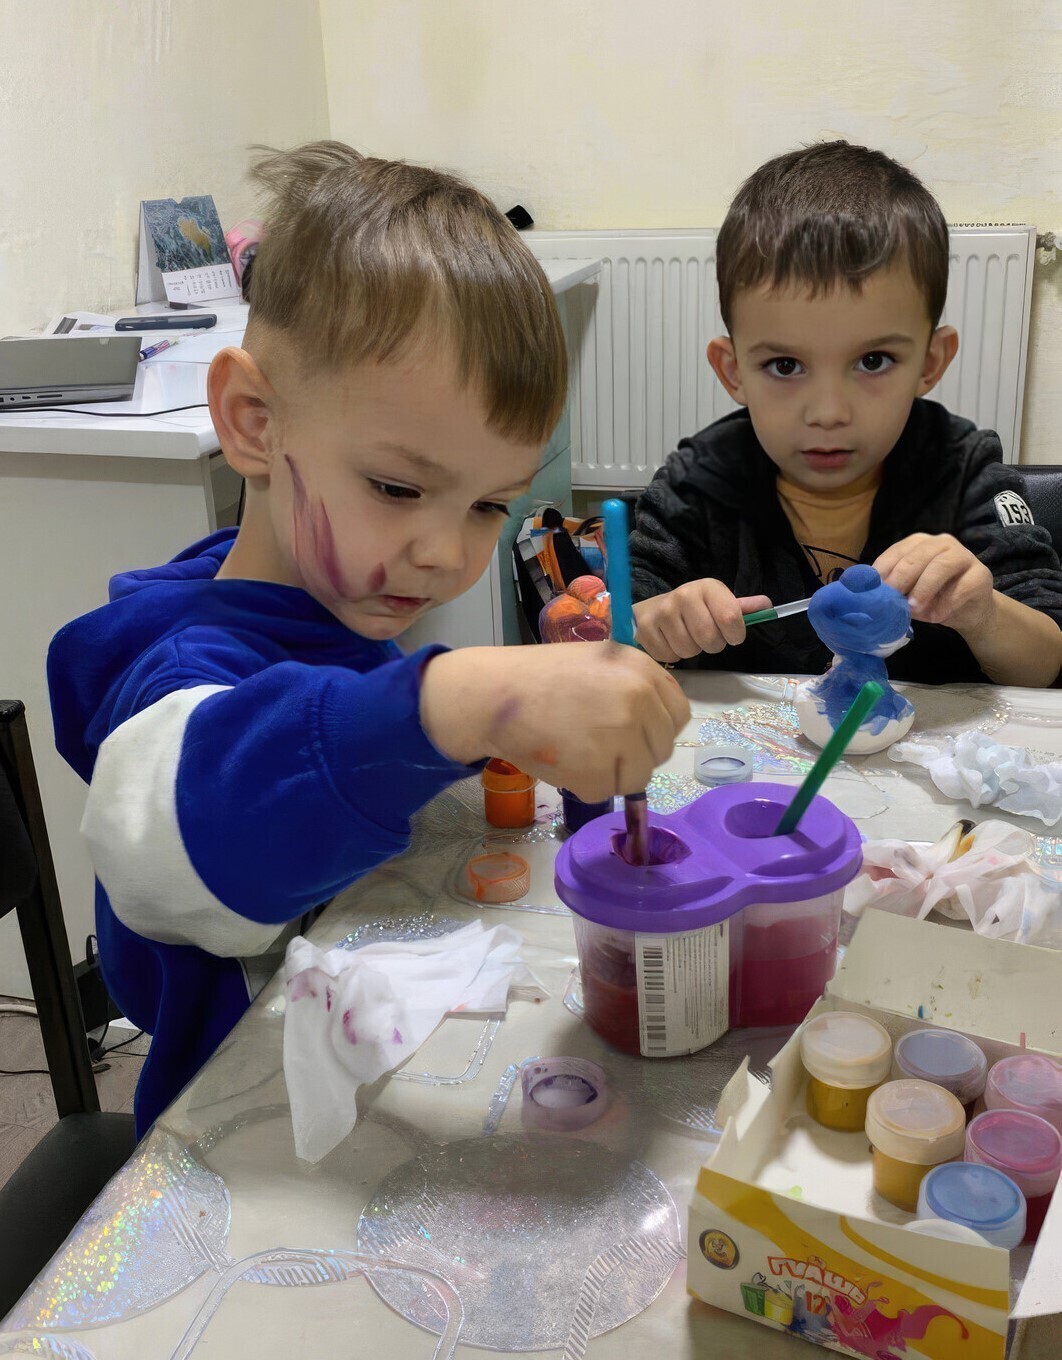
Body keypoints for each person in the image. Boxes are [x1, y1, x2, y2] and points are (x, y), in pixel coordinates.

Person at [48, 142, 689, 1134]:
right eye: (398, 487)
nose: (444, 552)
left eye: (487, 506)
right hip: (243, 1156)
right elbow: (166, 833)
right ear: (255, 425)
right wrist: (457, 698)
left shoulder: (340, 614)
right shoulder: (182, 670)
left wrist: (561, 724)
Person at [630, 141, 1062, 688]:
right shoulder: (695, 485)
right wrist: (653, 627)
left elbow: (1048, 662)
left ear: (930, 362)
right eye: (785, 365)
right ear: (733, 370)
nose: (829, 413)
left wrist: (985, 614)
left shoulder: (965, 472)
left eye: (873, 361)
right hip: (751, 769)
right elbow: (617, 639)